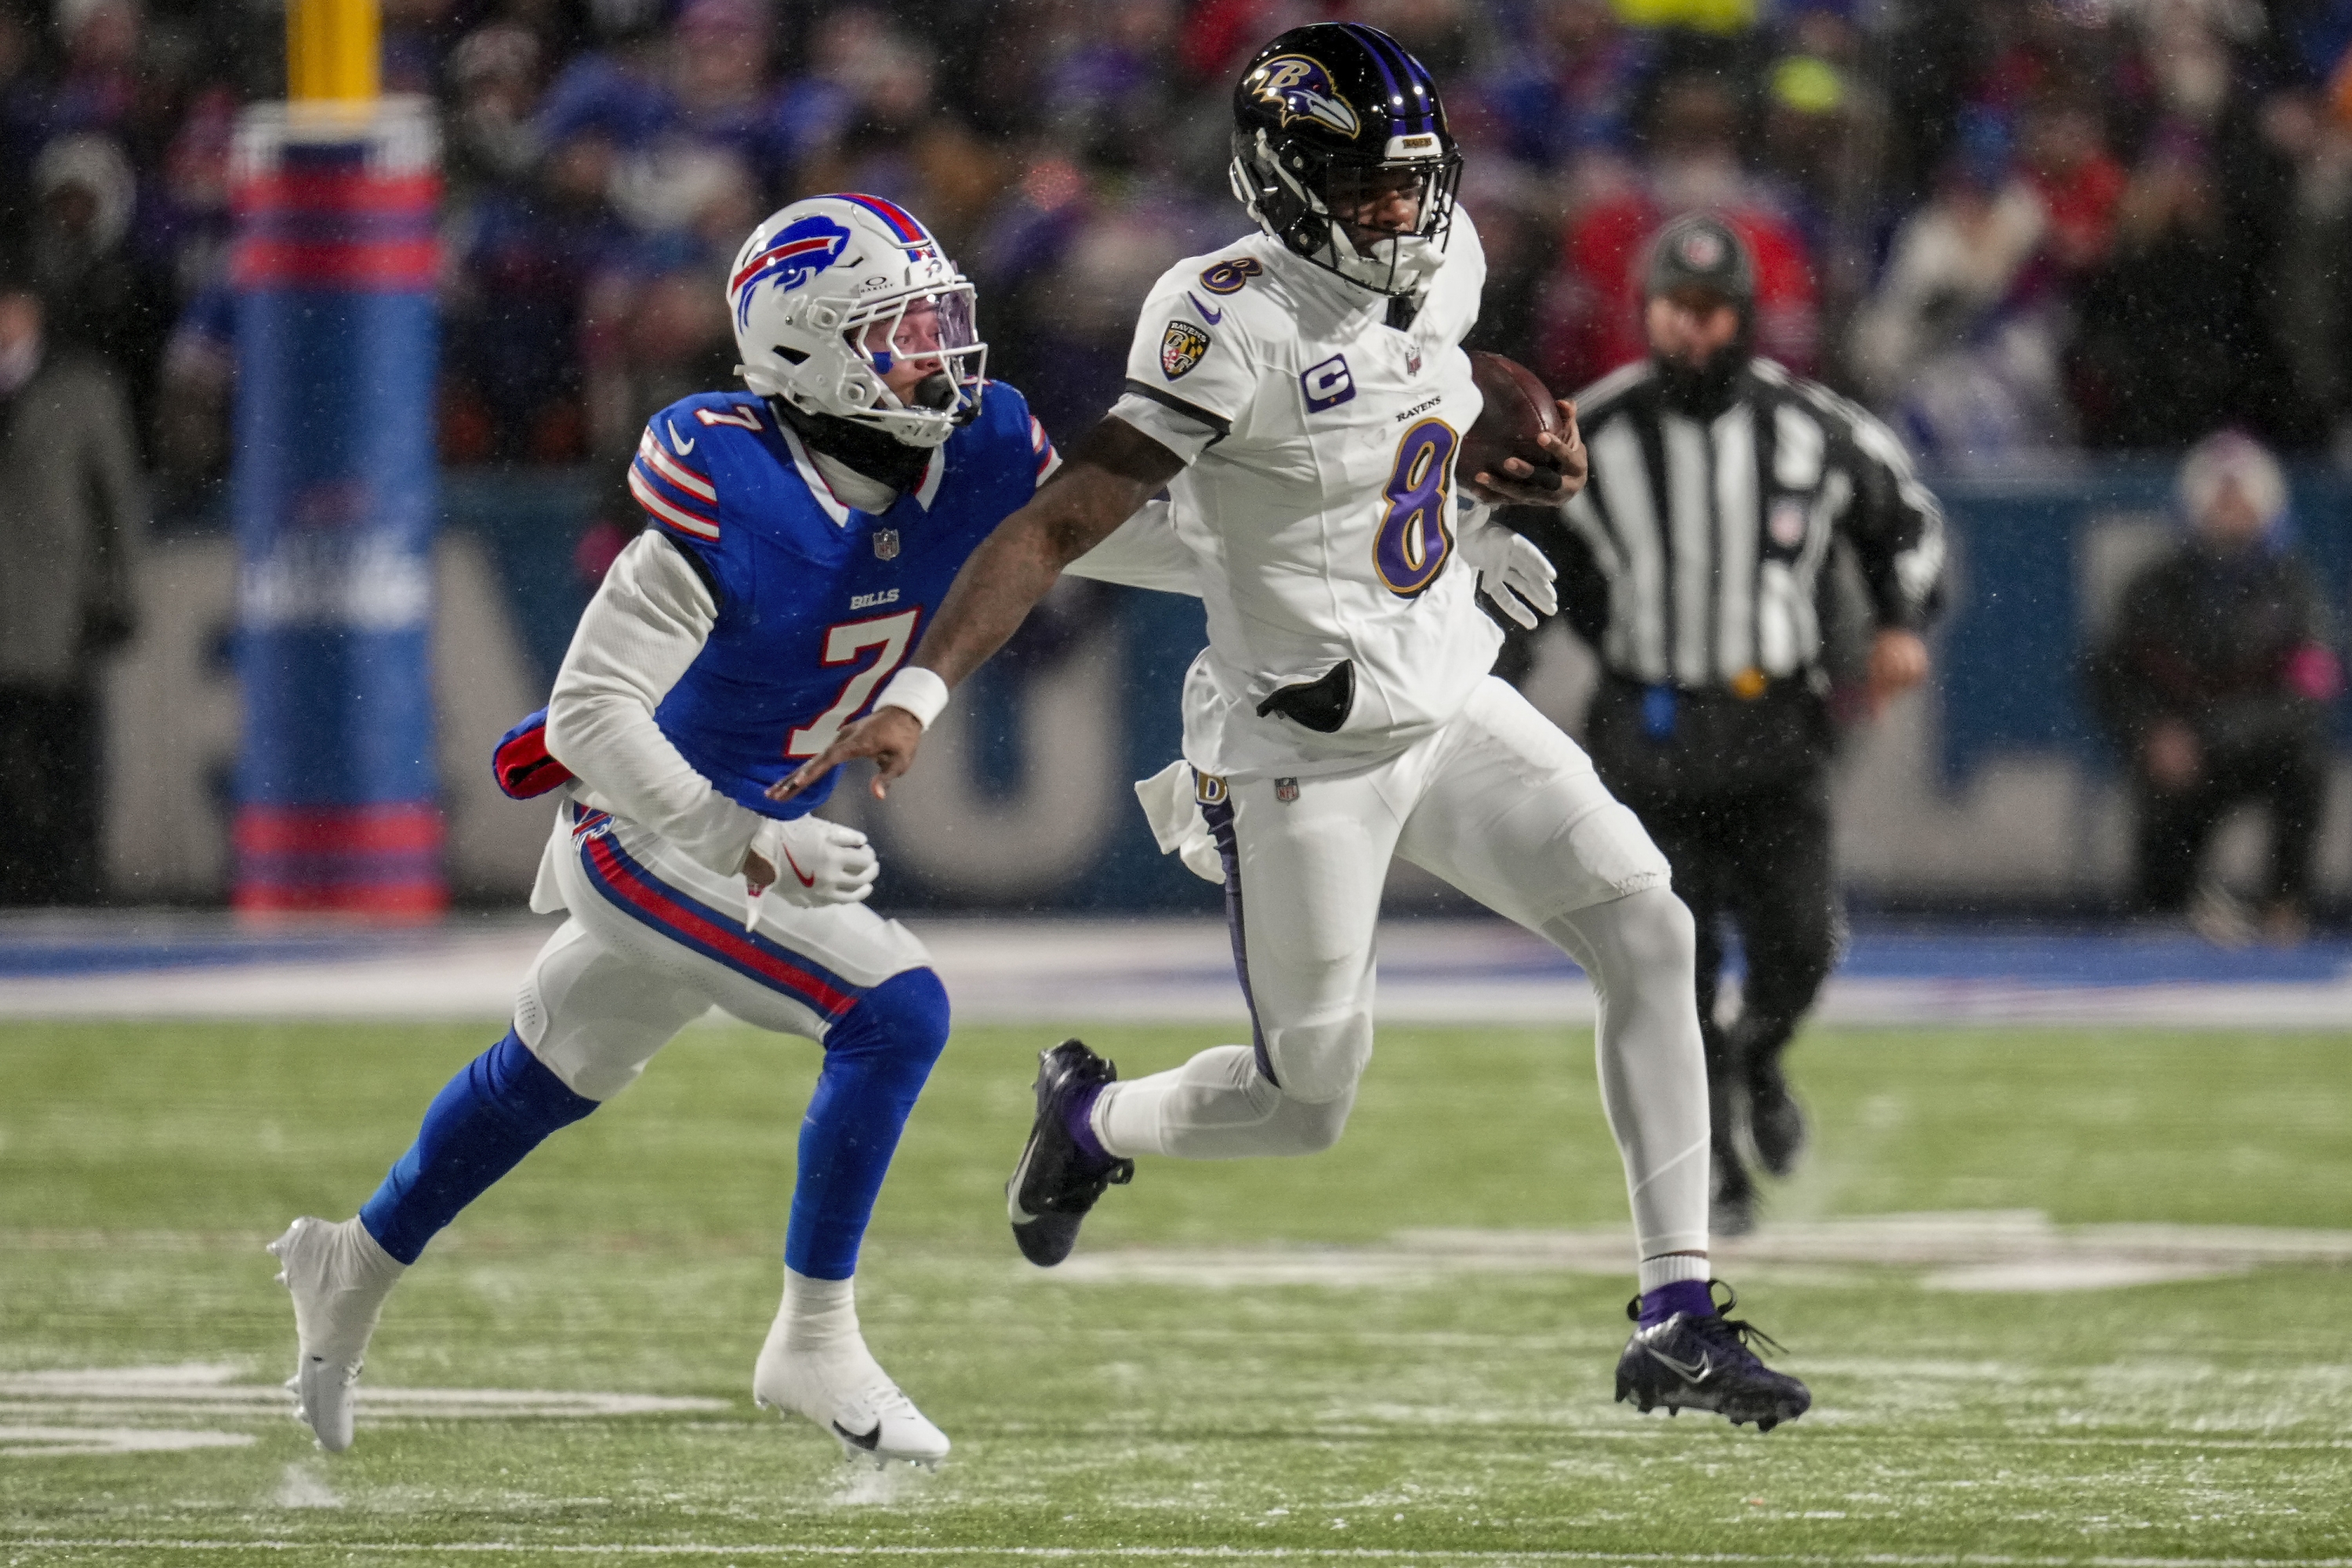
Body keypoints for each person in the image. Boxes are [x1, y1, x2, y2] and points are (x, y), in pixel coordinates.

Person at [780, 24, 1813, 1432]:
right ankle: (1090, 1119)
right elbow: (1071, 521)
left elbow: (1431, 383)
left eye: (1416, 181)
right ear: (1283, 185)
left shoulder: (1439, 264)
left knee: (1653, 924)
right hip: (1302, 752)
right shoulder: (1223, 318)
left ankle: (1677, 1314)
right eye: (1372, 188)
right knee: (1306, 1099)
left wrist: (1474, 510)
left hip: (1444, 691)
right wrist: (916, 692)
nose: (1407, 214)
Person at [270, 194, 1056, 1470]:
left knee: (546, 1073)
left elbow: (1092, 541)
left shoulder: (975, 453)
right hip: (646, 834)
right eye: (897, 328)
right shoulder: (734, 478)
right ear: (805, 351)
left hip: (748, 822)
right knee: (894, 1008)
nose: (936, 349)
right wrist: (736, 831)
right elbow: (585, 714)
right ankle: (812, 1337)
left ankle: (346, 1270)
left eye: (935, 317)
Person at [1548, 214, 1948, 1238]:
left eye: (1711, 311)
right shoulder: (1590, 433)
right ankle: (1717, 1166)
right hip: (1648, 733)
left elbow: (1907, 519)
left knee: (1803, 948)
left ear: (1746, 317)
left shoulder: (1812, 426)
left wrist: (1902, 622)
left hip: (1775, 731)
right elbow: (1522, 562)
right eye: (1673, 312)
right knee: (1667, 967)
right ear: (1645, 315)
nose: (1690, 331)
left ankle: (1757, 1056)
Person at [2085, 430, 2339, 945]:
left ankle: (2283, 905)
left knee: (2306, 769)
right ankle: (2170, 904)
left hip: (2259, 751)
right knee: (2160, 903)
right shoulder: (2153, 588)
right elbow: (2108, 674)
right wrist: (2152, 732)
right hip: (2178, 759)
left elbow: (2311, 687)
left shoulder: (2294, 588)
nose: (2229, 509)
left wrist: (2218, 736)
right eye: (2218, 496)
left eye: (2241, 496)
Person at [0, 273, 143, 905]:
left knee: (63, 757)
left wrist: (116, 596)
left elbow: (116, 503)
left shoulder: (82, 388)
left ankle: (72, 884)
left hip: (55, 611)